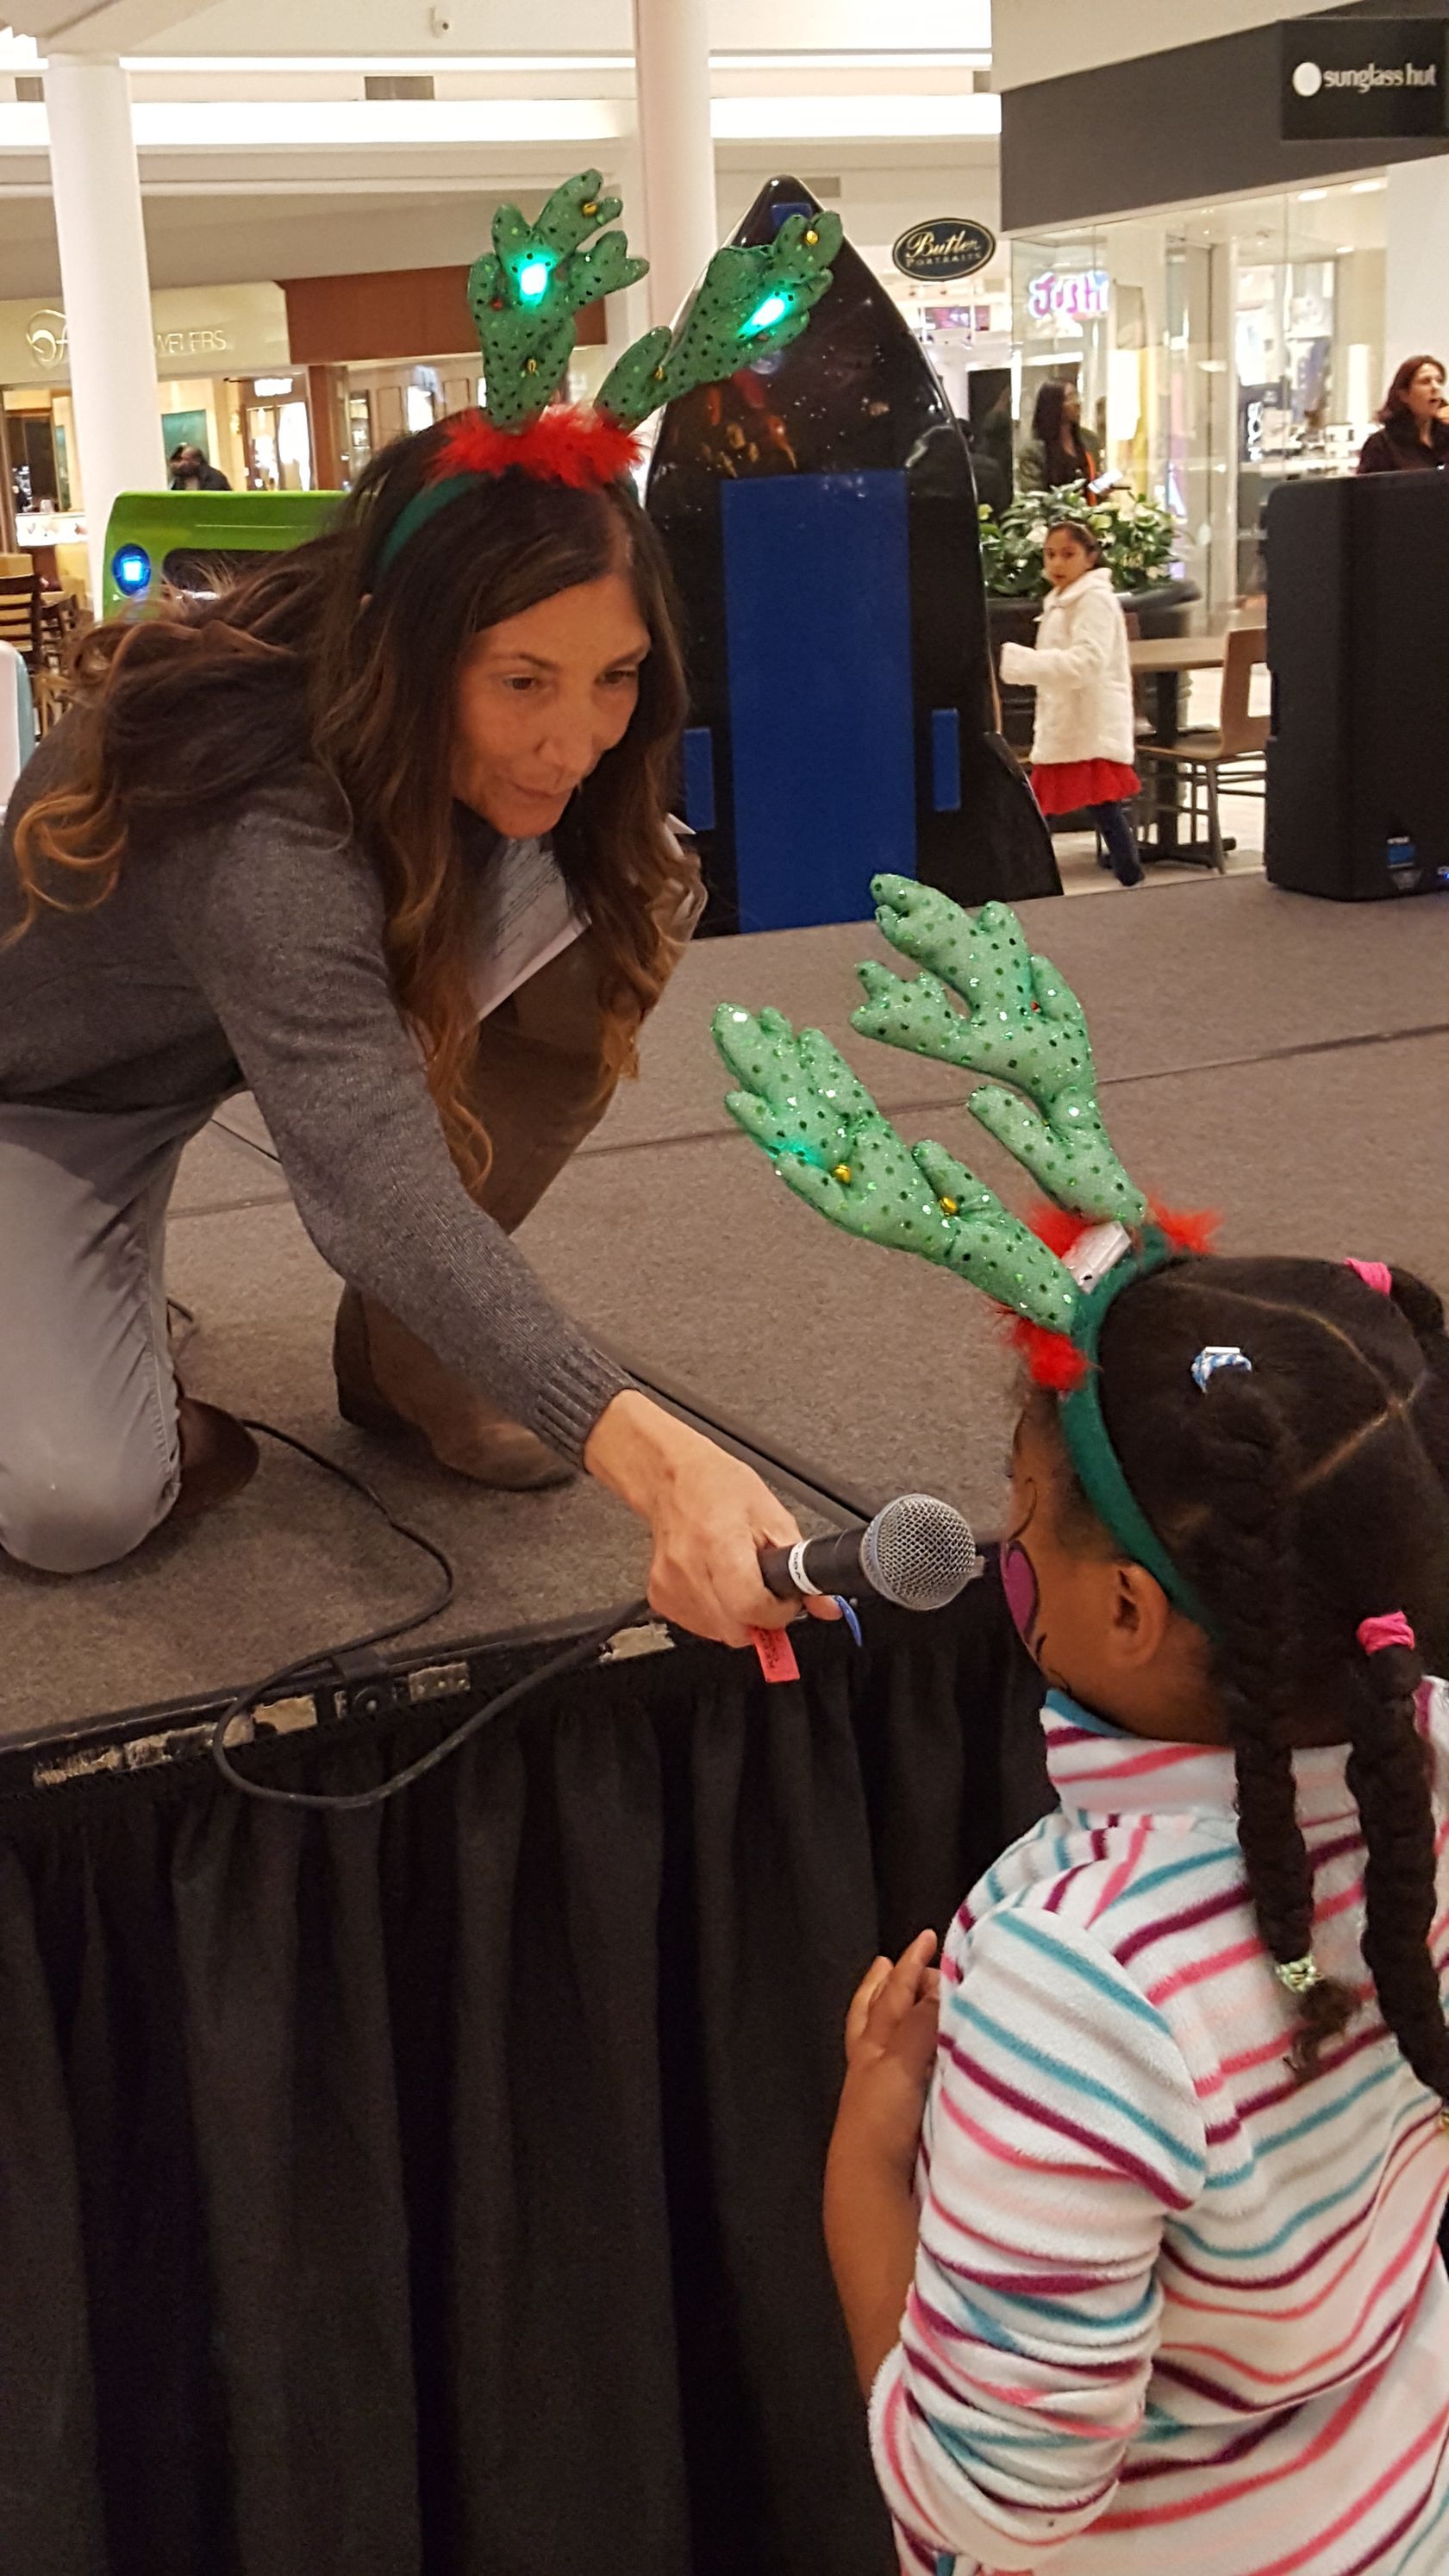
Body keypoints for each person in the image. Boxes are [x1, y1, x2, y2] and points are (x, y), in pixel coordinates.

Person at [0, 420, 834, 1641]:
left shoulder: (459, 733)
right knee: (77, 1504)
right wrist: (659, 1464)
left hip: (248, 1028)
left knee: (640, 876)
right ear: (409, 636)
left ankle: (413, 1349)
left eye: (616, 676)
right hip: (57, 1102)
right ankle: (121, 1342)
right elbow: (369, 1183)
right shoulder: (250, 809)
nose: (577, 740)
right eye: (521, 680)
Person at [827, 1252, 1449, 2573]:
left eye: (1022, 1514)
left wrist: (863, 2174)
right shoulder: (1429, 1773)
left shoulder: (1082, 1980)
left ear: (1121, 1607)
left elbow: (995, 2499)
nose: (1003, 1542)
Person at [998, 519, 1144, 887]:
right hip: (1072, 723)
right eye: (1050, 555)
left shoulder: (1092, 600)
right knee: (1088, 806)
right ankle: (1126, 875)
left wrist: (1025, 664)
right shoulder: (1063, 601)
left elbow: (1087, 662)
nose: (1057, 564)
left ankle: (1025, 879)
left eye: (1068, 554)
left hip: (1087, 722)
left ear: (1090, 557)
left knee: (1086, 804)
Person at [1357, 355, 1449, 474]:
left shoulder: (1446, 436)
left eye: (1439, 381)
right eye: (1425, 382)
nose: (1435, 387)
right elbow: (1367, 491)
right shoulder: (1381, 445)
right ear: (1404, 395)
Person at [1017, 378, 1100, 494]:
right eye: (1070, 398)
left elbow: (1094, 483)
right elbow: (1033, 496)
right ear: (1054, 404)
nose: (1077, 403)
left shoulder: (1090, 440)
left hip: (1092, 510)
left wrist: (1101, 488)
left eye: (1077, 396)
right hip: (1054, 511)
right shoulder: (1033, 452)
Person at [168, 441, 232, 492]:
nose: (180, 464)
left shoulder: (215, 478)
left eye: (184, 459)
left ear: (196, 461)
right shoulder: (180, 480)